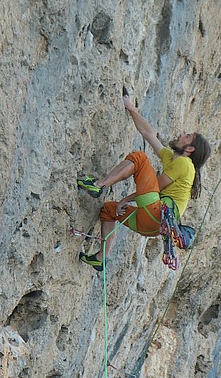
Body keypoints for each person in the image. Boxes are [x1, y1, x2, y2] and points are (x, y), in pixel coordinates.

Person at [77, 93, 211, 272]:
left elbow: (157, 184)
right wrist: (131, 107)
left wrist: (126, 199)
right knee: (108, 210)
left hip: (154, 212)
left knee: (139, 158)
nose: (181, 134)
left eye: (186, 136)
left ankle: (99, 185)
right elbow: (148, 133)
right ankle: (101, 258)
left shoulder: (184, 164)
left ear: (190, 148)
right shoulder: (173, 159)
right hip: (151, 227)